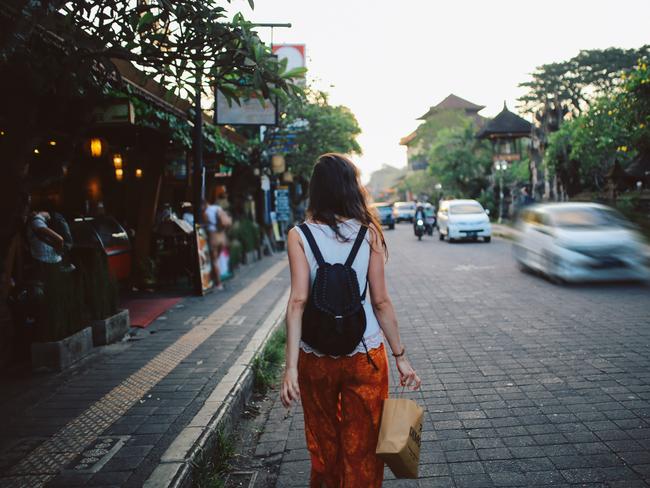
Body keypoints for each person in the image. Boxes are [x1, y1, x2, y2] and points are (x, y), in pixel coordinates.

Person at [281, 153, 421, 488]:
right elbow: (381, 302)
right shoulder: (369, 233)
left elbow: (298, 301)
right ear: (350, 188)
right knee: (365, 444)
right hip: (366, 355)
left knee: (324, 442)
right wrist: (401, 357)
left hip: (315, 357)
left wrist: (290, 369)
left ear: (316, 190)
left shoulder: (299, 236)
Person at [203, 195, 231, 291]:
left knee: (214, 261)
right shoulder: (217, 207)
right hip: (222, 237)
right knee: (217, 260)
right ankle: (216, 280)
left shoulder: (206, 212)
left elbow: (205, 224)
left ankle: (218, 284)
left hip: (213, 237)